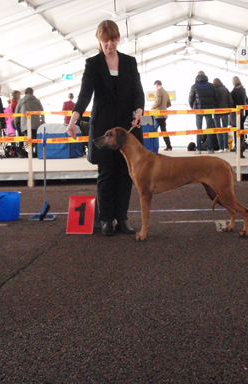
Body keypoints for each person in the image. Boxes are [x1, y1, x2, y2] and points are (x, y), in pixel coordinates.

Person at [65, 20, 144, 237]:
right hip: (104, 128)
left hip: (128, 129)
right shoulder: (93, 64)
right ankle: (106, 219)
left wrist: (139, 110)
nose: (109, 44)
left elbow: (138, 91)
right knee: (106, 173)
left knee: (127, 174)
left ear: (118, 39)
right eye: (105, 40)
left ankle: (123, 218)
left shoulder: (129, 62)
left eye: (113, 40)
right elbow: (84, 96)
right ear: (99, 41)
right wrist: (73, 120)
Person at [188, 70, 218, 154]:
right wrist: (212, 104)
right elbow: (216, 97)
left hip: (198, 109)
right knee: (209, 129)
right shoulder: (211, 86)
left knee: (199, 129)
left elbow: (190, 98)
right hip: (209, 109)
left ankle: (198, 149)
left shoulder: (194, 86)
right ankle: (210, 149)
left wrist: (193, 107)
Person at [15, 87, 44, 157]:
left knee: (28, 138)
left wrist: (16, 122)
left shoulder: (21, 101)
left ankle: (30, 153)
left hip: (25, 124)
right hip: (36, 124)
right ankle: (36, 153)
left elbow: (16, 112)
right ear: (32, 93)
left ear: (25, 93)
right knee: (35, 138)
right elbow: (42, 112)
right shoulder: (37, 101)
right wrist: (42, 121)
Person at [151, 80, 173, 151]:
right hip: (164, 115)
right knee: (164, 131)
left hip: (158, 115)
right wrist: (164, 107)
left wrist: (152, 107)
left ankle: (152, 147)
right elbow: (169, 104)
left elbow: (158, 102)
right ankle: (169, 146)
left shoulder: (158, 91)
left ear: (157, 85)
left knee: (153, 131)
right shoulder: (166, 92)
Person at [213, 78, 233, 152]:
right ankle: (226, 147)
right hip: (225, 112)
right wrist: (230, 109)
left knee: (218, 130)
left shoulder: (214, 90)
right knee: (225, 130)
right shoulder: (225, 89)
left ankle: (220, 148)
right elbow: (230, 100)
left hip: (216, 112)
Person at [229, 76, 248, 152]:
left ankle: (237, 146)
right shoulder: (243, 90)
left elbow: (231, 102)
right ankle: (241, 145)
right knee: (242, 129)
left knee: (236, 129)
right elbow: (246, 100)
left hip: (235, 112)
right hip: (243, 111)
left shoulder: (234, 91)